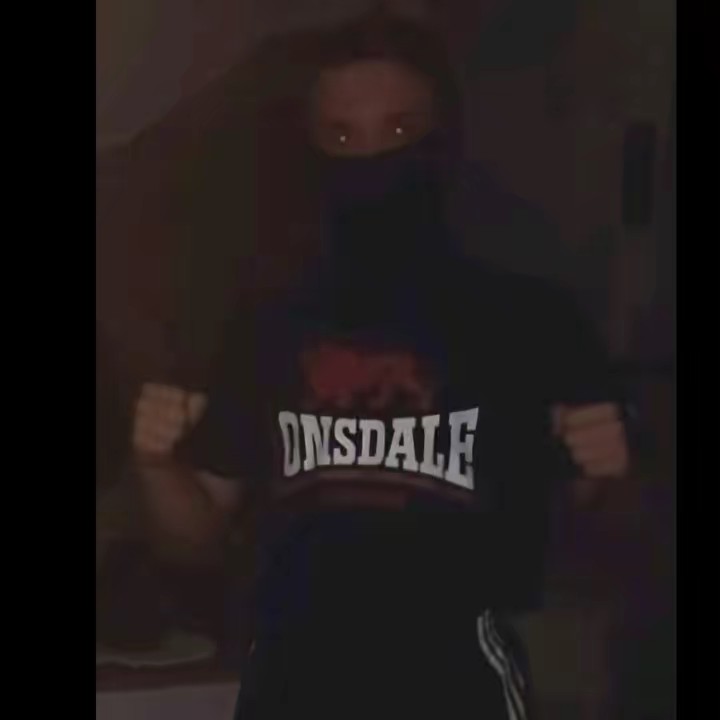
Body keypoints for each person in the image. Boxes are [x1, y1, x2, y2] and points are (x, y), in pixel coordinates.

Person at [133, 14, 629, 719]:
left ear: (443, 138)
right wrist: (158, 467)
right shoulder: (265, 325)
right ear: (309, 149)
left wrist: (610, 475)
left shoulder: (528, 318)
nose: (370, 157)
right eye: (341, 136)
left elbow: (612, 546)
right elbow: (197, 539)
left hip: (453, 683)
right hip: (291, 679)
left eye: (398, 129)